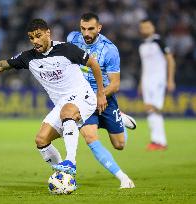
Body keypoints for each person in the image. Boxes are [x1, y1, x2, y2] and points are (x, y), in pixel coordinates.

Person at [0, 18, 107, 175]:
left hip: (84, 97)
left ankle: (71, 162)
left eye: (38, 35)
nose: (35, 41)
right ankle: (64, 176)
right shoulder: (28, 57)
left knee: (67, 113)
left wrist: (101, 93)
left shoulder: (67, 49)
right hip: (62, 104)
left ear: (48, 33)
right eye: (31, 38)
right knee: (41, 140)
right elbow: (0, 65)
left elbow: (93, 64)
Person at [66, 13, 136, 189]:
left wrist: (100, 95)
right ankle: (123, 178)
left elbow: (116, 84)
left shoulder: (109, 49)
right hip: (82, 99)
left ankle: (119, 116)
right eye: (83, 28)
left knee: (119, 145)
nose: (86, 33)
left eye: (90, 29)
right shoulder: (72, 39)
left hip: (105, 97)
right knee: (90, 137)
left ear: (99, 28)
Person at [138, 19, 176, 150]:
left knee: (155, 109)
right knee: (150, 109)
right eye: (143, 27)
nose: (145, 30)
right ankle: (156, 141)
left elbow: (170, 60)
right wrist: (141, 83)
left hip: (158, 80)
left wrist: (170, 79)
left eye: (148, 27)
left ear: (153, 27)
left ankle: (160, 141)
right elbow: (144, 66)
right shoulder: (142, 45)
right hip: (147, 81)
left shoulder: (159, 42)